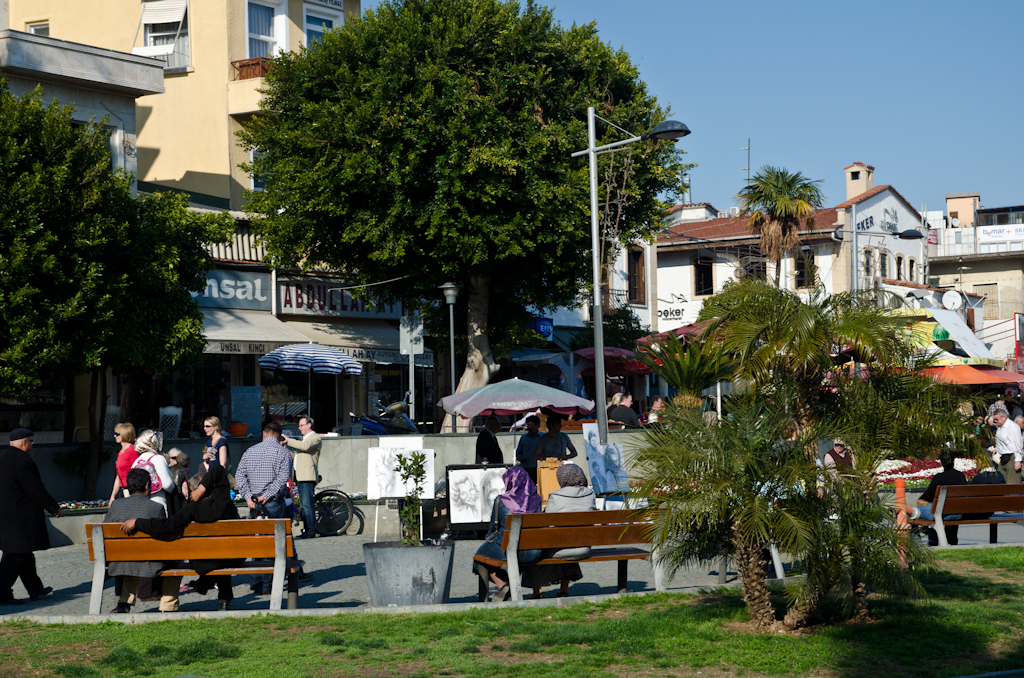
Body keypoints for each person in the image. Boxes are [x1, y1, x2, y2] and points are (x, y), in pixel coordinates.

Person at [120, 467, 241, 611]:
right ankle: (223, 599)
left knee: (210, 554)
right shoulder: (224, 500)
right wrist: (203, 488)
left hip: (203, 561)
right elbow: (219, 470)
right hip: (233, 556)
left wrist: (138, 522)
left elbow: (166, 526)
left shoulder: (191, 509)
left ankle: (205, 582)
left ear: (192, 489)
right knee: (221, 552)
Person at [0, 428, 61, 605]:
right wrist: (53, 507)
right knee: (15, 557)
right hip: (20, 519)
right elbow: (35, 488)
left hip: (8, 517)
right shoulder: (22, 461)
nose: (33, 445)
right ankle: (2, 594)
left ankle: (35, 589)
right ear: (24, 442)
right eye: (31, 441)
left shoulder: (4, 459)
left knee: (24, 553)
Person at [235, 421, 295, 594]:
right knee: (273, 545)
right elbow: (282, 478)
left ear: (264, 434)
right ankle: (268, 585)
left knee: (257, 542)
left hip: (253, 504)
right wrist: (266, 496)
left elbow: (240, 475)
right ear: (279, 435)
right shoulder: (283, 453)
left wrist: (248, 496)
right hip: (273, 502)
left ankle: (255, 581)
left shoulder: (250, 451)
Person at [472, 466, 545, 602]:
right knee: (514, 556)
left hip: (509, 549)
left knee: (480, 556)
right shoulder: (537, 501)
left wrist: (489, 540)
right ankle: (508, 588)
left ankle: (505, 588)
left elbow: (493, 528)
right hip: (534, 551)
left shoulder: (501, 500)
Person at [525, 463, 595, 598]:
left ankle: (537, 592)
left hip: (561, 549)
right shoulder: (590, 495)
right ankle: (564, 589)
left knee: (535, 548)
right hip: (584, 549)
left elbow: (547, 527)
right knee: (569, 539)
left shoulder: (556, 497)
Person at [104, 469, 167, 613]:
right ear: (147, 485)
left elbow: (104, 531)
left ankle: (124, 603)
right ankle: (168, 605)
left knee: (132, 559)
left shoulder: (116, 506)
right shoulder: (156, 508)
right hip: (150, 562)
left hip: (119, 560)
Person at [906, 449, 968, 546]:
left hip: (942, 514)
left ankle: (919, 544)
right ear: (954, 461)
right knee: (939, 510)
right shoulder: (961, 476)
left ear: (941, 463)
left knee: (909, 513)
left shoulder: (939, 477)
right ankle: (951, 540)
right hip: (958, 513)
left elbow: (926, 498)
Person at [282, 415, 322, 539]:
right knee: (304, 505)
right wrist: (286, 448)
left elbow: (306, 447)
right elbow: (296, 456)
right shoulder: (304, 440)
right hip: (300, 476)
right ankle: (307, 530)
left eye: (301, 425)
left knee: (307, 505)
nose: (299, 428)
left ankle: (310, 531)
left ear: (309, 425)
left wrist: (289, 440)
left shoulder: (315, 438)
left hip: (307, 476)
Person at [130, 429, 175, 513]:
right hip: (158, 501)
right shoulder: (158, 458)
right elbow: (167, 484)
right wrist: (175, 489)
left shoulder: (137, 461)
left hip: (140, 504)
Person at [988, 403, 1023, 484]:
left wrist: (1018, 461)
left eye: (997, 419)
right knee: (1001, 480)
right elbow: (1003, 441)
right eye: (994, 420)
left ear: (1003, 417)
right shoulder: (1000, 427)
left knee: (1012, 482)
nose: (995, 421)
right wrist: (997, 449)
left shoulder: (1012, 427)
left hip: (1012, 457)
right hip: (1003, 457)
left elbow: (1018, 444)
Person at [108, 422, 139, 503]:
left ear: (125, 434)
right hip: (123, 490)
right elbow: (119, 475)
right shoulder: (121, 452)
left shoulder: (132, 450)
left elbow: (137, 471)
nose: (115, 436)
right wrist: (113, 496)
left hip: (131, 490)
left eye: (117, 434)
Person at [514, 415, 543, 483]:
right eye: (527, 425)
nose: (529, 427)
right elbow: (518, 453)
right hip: (526, 469)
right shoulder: (523, 438)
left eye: (531, 425)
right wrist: (520, 457)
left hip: (539, 469)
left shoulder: (543, 437)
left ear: (537, 425)